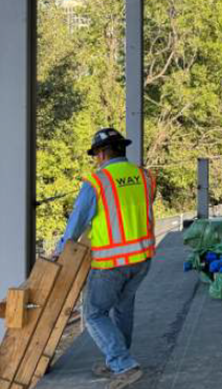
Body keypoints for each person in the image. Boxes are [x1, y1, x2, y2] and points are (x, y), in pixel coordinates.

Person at [55, 127, 156, 389]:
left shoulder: (97, 181)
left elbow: (76, 224)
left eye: (95, 155)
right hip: (143, 258)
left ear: (101, 154)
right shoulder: (144, 176)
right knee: (123, 307)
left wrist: (59, 251)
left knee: (93, 313)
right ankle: (117, 362)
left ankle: (123, 363)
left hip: (112, 262)